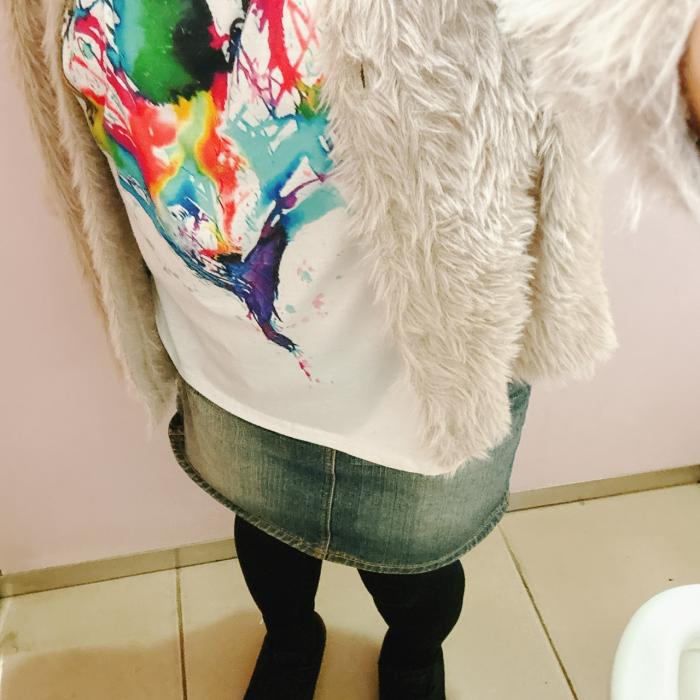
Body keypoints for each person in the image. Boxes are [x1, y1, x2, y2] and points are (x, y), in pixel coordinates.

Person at [5, 0, 700, 698]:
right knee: (267, 537)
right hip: (224, 356)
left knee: (415, 581)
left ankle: (411, 657)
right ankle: (293, 637)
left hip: (416, 379)